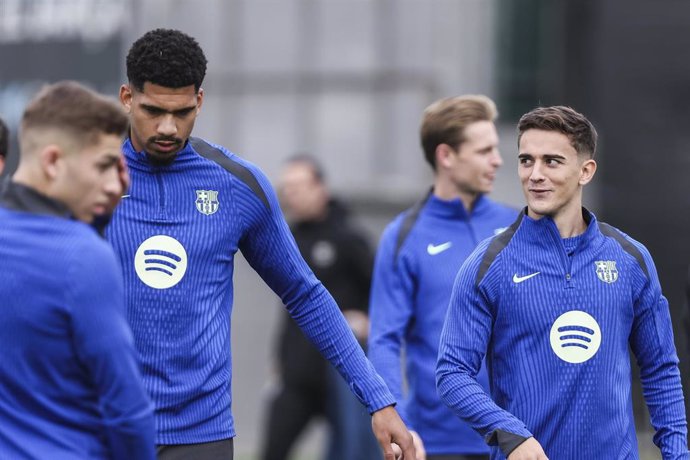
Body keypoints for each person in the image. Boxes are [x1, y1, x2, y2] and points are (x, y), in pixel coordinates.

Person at [106, 28, 415, 460]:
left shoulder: (238, 186)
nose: (167, 127)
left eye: (181, 112)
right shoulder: (90, 179)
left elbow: (305, 294)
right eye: (153, 110)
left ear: (200, 100)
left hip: (200, 432)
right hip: (102, 426)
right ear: (126, 97)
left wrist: (377, 398)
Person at [436, 105, 689, 459]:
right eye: (526, 160)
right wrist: (511, 435)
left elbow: (660, 369)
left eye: (551, 161)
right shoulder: (487, 265)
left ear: (586, 171)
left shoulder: (631, 260)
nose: (535, 174)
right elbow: (452, 373)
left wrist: (678, 454)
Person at [0, 81, 155, 459]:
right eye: (103, 166)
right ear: (52, 161)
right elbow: (127, 409)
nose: (114, 184)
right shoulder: (83, 257)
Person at [368, 95, 517, 460]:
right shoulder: (403, 236)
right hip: (438, 444)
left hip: (519, 439)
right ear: (446, 156)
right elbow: (385, 339)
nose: (498, 160)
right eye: (484, 151)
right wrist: (399, 422)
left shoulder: (520, 227)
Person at [261, 154, 381, 460]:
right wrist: (280, 358)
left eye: (299, 186)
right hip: (298, 374)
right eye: (287, 188)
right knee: (273, 448)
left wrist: (368, 320)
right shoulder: (287, 237)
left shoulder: (347, 237)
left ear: (320, 188)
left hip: (341, 375)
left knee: (350, 451)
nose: (292, 195)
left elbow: (382, 293)